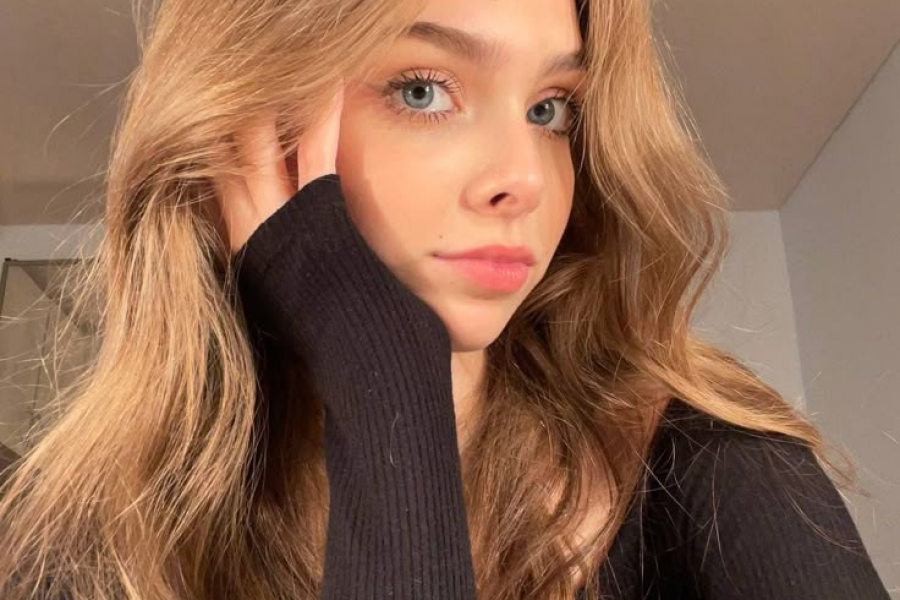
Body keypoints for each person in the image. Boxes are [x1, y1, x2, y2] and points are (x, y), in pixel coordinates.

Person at [0, 0, 891, 598]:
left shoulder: (714, 463)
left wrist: (388, 387)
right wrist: (388, 383)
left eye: (551, 109)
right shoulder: (77, 541)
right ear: (247, 131)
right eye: (423, 90)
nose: (524, 181)